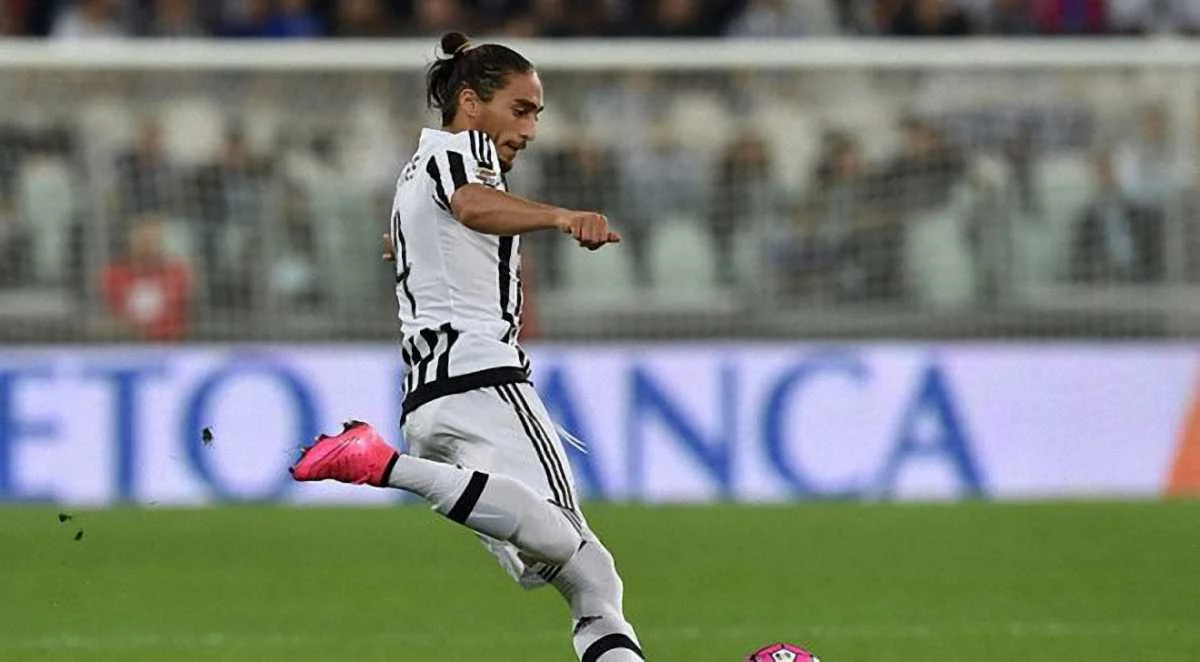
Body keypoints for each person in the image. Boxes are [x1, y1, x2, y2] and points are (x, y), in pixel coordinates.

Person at [289, 32, 644, 662]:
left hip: (431, 397)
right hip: (483, 378)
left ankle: (388, 463)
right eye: (520, 109)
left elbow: (439, 227)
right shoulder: (463, 151)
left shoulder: (415, 171)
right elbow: (473, 205)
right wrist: (563, 217)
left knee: (591, 577)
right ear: (472, 103)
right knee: (565, 543)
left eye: (537, 114)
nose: (530, 129)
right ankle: (380, 463)